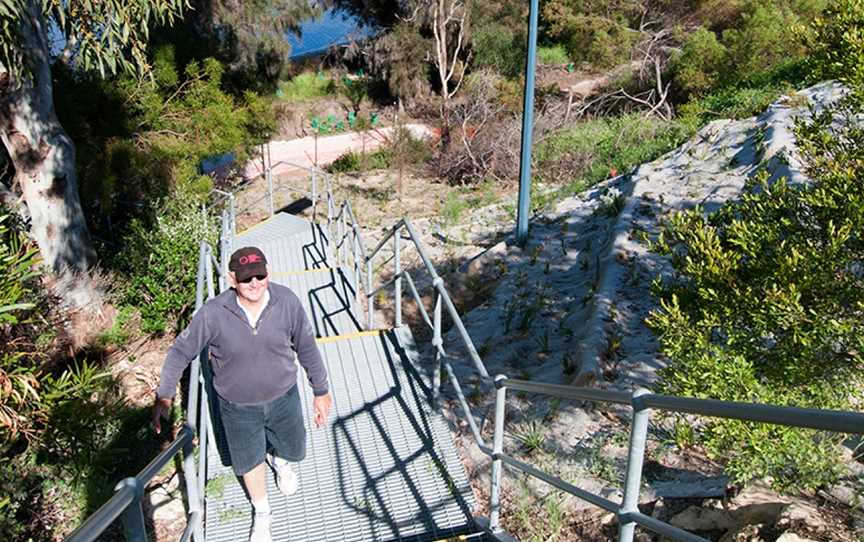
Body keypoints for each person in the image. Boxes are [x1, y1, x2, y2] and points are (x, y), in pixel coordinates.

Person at [152, 246, 332, 542]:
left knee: (294, 448)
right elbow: (181, 351)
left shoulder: (286, 301)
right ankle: (262, 512)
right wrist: (165, 395)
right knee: (248, 461)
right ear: (232, 278)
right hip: (237, 407)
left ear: (268, 272)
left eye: (260, 275)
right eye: (246, 278)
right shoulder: (213, 313)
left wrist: (320, 390)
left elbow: (307, 346)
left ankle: (281, 462)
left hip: (284, 396)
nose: (254, 283)